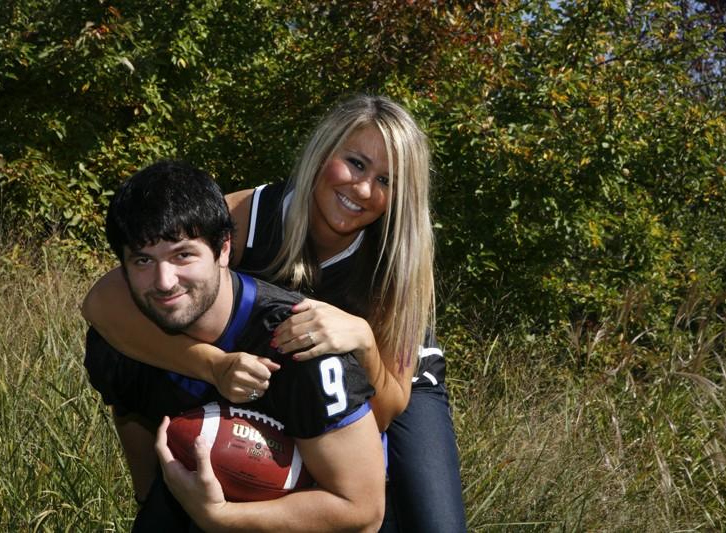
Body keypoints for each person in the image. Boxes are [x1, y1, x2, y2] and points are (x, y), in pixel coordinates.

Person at [83, 95, 466, 532]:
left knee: (435, 525)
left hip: (394, 383)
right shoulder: (251, 213)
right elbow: (102, 302)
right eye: (356, 164)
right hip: (277, 361)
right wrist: (212, 365)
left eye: (386, 180)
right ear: (324, 152)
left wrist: (362, 338)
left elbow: (387, 408)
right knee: (116, 353)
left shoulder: (396, 259)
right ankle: (155, 500)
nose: (363, 189)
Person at [84, 160, 385, 531]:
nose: (164, 281)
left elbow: (363, 510)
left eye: (183, 255)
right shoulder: (123, 338)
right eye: (143, 260)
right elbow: (132, 410)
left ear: (224, 248)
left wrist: (221, 518)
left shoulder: (300, 346)